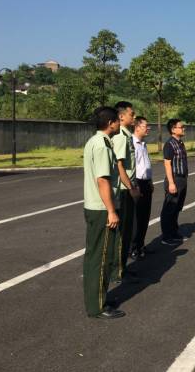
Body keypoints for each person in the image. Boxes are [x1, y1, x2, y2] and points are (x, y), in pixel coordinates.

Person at [82, 106, 125, 319]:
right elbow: (103, 180)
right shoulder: (101, 146)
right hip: (101, 209)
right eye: (117, 120)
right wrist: (111, 211)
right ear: (110, 123)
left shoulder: (97, 142)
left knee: (96, 255)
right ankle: (97, 305)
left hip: (96, 207)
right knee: (101, 258)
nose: (119, 123)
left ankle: (99, 298)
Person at [112, 101, 140, 282]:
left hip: (128, 188)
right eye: (131, 113)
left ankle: (122, 268)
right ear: (121, 116)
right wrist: (131, 187)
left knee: (128, 231)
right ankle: (117, 272)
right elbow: (119, 165)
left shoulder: (126, 134)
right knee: (123, 233)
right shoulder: (121, 136)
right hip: (123, 191)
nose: (134, 116)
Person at [160, 118, 189, 246]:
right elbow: (167, 164)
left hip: (182, 179)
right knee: (169, 208)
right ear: (173, 129)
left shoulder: (180, 143)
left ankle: (173, 232)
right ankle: (166, 236)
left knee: (177, 208)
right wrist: (171, 183)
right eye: (181, 126)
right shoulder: (169, 144)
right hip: (174, 179)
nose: (183, 128)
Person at [131, 116, 154, 260]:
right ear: (138, 126)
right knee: (137, 218)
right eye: (146, 125)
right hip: (137, 183)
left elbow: (145, 165)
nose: (148, 128)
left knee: (145, 216)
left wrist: (150, 181)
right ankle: (133, 248)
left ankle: (141, 244)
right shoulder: (132, 143)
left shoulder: (143, 144)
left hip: (146, 183)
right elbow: (133, 168)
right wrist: (134, 186)